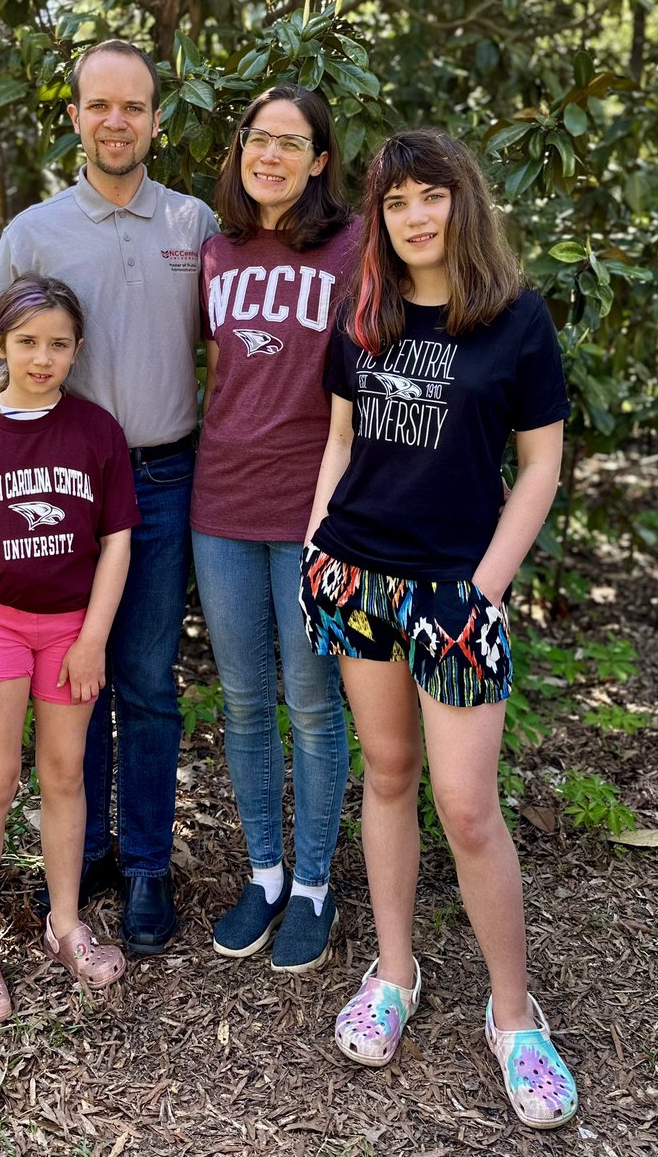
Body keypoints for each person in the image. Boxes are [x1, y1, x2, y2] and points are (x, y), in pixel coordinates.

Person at [300, 130, 578, 1128]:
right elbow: (339, 441)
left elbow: (540, 467)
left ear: (464, 204)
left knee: (466, 806)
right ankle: (395, 972)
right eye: (398, 202)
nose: (416, 216)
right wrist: (314, 547)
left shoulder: (515, 319)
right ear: (379, 217)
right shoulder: (364, 312)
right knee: (386, 775)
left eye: (433, 197)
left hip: (457, 594)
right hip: (358, 579)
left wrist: (485, 593)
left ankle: (516, 1017)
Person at [0, 41, 218, 954]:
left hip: (160, 478)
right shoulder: (36, 233)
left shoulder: (195, 224)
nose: (116, 121)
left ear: (157, 119)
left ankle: (147, 865)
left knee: (143, 680)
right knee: (65, 683)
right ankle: (75, 860)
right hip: (49, 482)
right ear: (77, 116)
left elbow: (246, 346)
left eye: (134, 106)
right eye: (99, 106)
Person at [0, 274, 139, 1021]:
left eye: (57, 344)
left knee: (63, 773)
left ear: (77, 350)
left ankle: (65, 924)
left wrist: (92, 640)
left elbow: (116, 542)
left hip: (70, 629)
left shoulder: (95, 432)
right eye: (27, 343)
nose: (42, 357)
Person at [193, 85, 357, 973]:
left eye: (292, 144)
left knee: (310, 700)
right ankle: (263, 872)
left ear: (320, 160)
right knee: (246, 701)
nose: (272, 156)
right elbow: (221, 375)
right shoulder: (216, 249)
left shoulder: (354, 245)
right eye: (259, 139)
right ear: (241, 150)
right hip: (219, 506)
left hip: (313, 510)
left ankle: (314, 886)